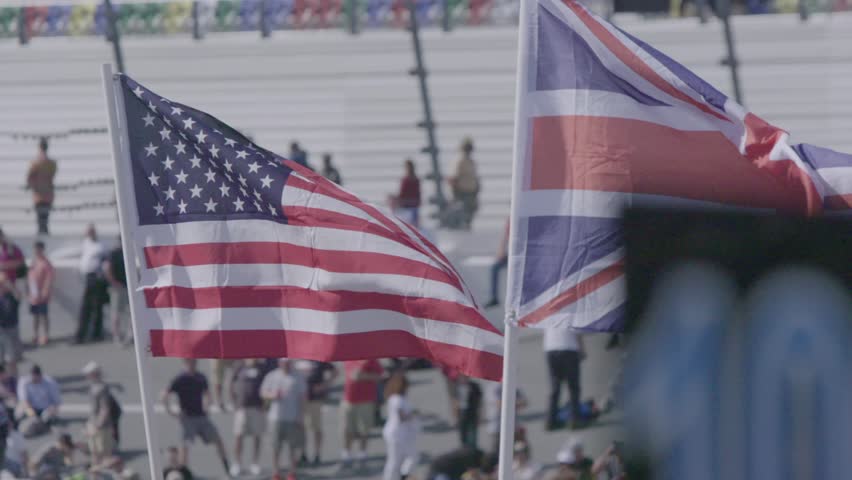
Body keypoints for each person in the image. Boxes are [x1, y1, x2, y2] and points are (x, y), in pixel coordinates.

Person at [161, 359, 230, 476]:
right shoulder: (180, 379)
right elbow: (164, 394)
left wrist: (207, 406)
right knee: (185, 447)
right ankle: (184, 473)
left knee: (218, 440)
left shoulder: (200, 377)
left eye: (193, 362)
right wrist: (171, 411)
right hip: (187, 418)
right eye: (189, 362)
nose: (192, 364)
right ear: (185, 363)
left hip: (201, 417)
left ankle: (227, 469)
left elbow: (207, 393)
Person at [260, 359, 307, 480]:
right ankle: (276, 472)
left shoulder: (298, 377)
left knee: (293, 446)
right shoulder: (272, 375)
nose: (286, 365)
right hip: (275, 417)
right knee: (275, 446)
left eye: (288, 363)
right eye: (284, 363)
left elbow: (302, 397)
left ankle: (292, 472)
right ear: (280, 364)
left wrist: (301, 416)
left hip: (292, 417)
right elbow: (263, 392)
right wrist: (273, 395)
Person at [340, 358, 383, 470]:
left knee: (364, 428)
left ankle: (362, 453)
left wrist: (364, 375)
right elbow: (353, 375)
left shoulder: (372, 360)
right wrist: (364, 374)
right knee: (347, 429)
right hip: (349, 399)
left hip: (366, 400)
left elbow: (380, 376)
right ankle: (346, 453)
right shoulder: (349, 359)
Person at [229, 359, 265, 477]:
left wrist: (265, 404)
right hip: (242, 407)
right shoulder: (239, 365)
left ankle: (255, 463)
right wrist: (234, 403)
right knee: (239, 436)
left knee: (257, 436)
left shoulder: (261, 367)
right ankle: (237, 463)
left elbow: (267, 385)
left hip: (257, 408)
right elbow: (231, 383)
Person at [544, 327, 585, 431]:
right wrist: (582, 349)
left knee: (555, 388)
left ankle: (551, 420)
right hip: (569, 348)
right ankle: (574, 419)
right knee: (573, 387)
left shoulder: (548, 311)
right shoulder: (571, 310)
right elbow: (577, 331)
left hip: (551, 348)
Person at [382, 372, 419, 480]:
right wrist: (413, 414)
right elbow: (401, 417)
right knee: (394, 460)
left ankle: (404, 475)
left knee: (409, 457)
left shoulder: (396, 398)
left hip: (401, 434)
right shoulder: (397, 399)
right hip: (396, 434)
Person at [76, 225, 107, 344]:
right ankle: (85, 333)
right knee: (88, 307)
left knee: (95, 307)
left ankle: (95, 333)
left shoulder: (100, 246)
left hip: (96, 277)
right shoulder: (86, 243)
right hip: (88, 277)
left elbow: (103, 260)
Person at [304, 361, 338, 465]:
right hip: (299, 399)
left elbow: (335, 372)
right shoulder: (297, 356)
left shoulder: (319, 358)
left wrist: (324, 385)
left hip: (315, 399)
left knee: (316, 428)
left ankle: (317, 454)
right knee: (300, 428)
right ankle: (302, 454)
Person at [82, 362, 116, 465]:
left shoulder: (102, 388)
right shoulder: (94, 386)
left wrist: (97, 425)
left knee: (104, 453)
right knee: (94, 452)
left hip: (102, 426)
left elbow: (104, 409)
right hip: (94, 423)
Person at [16, 365, 60, 437]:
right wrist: (32, 414)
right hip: (30, 408)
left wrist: (53, 409)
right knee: (19, 412)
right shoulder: (24, 382)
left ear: (40, 375)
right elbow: (24, 400)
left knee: (47, 417)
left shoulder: (50, 382)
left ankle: (45, 425)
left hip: (46, 408)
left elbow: (56, 401)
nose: (34, 379)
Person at [484, 381, 527, 456]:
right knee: (496, 453)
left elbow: (524, 402)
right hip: (497, 427)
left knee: (517, 451)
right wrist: (514, 404)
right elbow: (498, 403)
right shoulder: (493, 386)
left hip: (514, 426)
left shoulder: (514, 384)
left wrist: (511, 404)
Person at [25, 137, 57, 236]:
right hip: (47, 193)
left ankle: (42, 231)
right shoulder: (51, 163)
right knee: (44, 216)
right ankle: (44, 230)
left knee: (41, 217)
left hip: (39, 194)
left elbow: (29, 177)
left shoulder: (36, 163)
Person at [103, 239, 130, 346]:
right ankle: (116, 335)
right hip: (117, 287)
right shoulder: (114, 253)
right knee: (116, 312)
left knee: (130, 312)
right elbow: (107, 268)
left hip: (127, 286)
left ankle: (130, 334)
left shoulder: (128, 252)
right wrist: (113, 282)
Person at [448, 138, 480, 229]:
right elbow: (453, 178)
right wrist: (455, 194)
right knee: (462, 213)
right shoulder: (460, 161)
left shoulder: (471, 161)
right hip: (462, 193)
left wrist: (476, 188)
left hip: (471, 192)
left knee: (471, 211)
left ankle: (466, 226)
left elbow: (474, 177)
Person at [28, 240, 54, 346]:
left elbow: (49, 278)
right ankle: (35, 335)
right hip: (33, 294)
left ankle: (46, 335)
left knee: (44, 316)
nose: (36, 251)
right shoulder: (34, 262)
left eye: (38, 249)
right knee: (35, 316)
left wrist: (45, 291)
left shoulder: (46, 263)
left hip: (42, 294)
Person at [0, 273, 22, 378]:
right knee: (5, 359)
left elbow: (18, 295)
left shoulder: (11, 297)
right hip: (2, 330)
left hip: (12, 329)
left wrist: (9, 284)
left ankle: (14, 380)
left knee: (12, 359)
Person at [484, 220, 510, 308]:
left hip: (524, 254)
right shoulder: (512, 217)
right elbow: (506, 235)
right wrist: (501, 249)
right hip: (512, 254)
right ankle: (494, 297)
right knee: (495, 268)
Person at [390, 159, 421, 227]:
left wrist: (395, 199)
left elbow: (402, 193)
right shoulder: (415, 179)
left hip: (407, 206)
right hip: (413, 206)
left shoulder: (406, 180)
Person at [454, 375, 482, 449]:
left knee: (473, 430)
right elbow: (456, 401)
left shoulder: (474, 386)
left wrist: (479, 412)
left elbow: (479, 400)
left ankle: (473, 447)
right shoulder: (458, 387)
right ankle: (464, 446)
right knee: (463, 430)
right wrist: (456, 414)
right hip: (462, 410)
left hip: (472, 410)